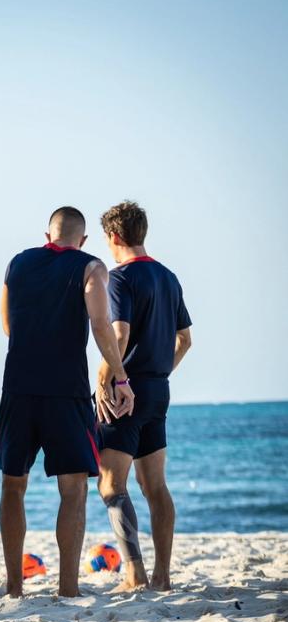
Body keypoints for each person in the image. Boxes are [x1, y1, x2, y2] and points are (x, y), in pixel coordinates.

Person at [0, 206, 136, 598]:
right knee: (73, 489)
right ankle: (67, 587)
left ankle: (13, 587)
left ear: (47, 235)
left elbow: (8, 325)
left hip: (18, 387)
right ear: (84, 239)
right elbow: (99, 324)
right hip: (66, 391)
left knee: (13, 485)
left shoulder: (17, 263)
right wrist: (120, 375)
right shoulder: (91, 266)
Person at [95, 201, 192, 592]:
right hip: (157, 389)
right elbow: (185, 340)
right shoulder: (168, 277)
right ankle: (162, 576)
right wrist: (161, 373)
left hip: (126, 390)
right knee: (156, 487)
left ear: (114, 236)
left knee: (111, 486)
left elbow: (118, 335)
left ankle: (135, 574)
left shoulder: (120, 278)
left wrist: (108, 378)